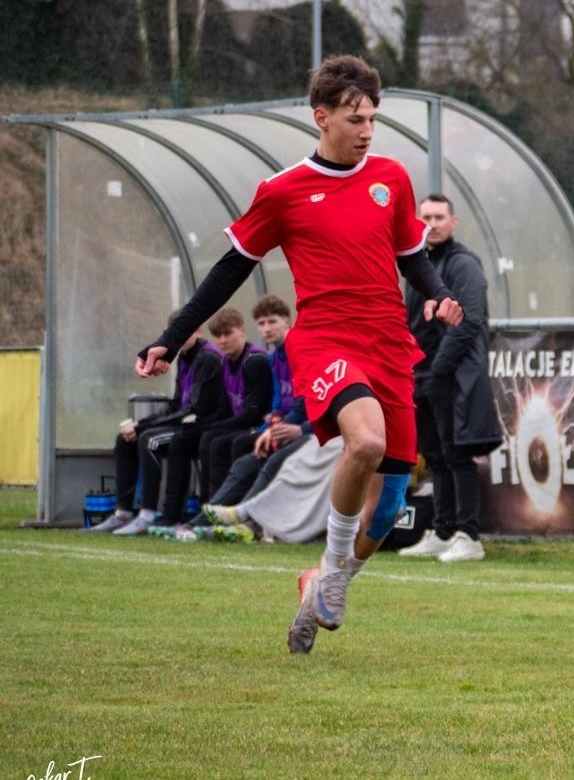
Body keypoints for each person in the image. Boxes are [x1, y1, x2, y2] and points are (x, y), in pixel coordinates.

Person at [135, 55, 462, 654]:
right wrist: (171, 334)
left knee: (387, 509)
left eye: (373, 118)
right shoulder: (282, 192)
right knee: (364, 440)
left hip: (389, 342)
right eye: (355, 118)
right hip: (328, 340)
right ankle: (334, 572)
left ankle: (320, 584)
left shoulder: (390, 177)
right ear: (322, 117)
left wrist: (439, 295)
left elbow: (411, 254)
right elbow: (229, 271)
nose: (367, 130)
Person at [399, 193, 501, 563]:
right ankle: (442, 531)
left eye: (440, 216)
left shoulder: (463, 265)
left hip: (452, 377)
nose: (433, 223)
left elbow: (470, 321)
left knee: (458, 456)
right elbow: (409, 324)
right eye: (426, 216)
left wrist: (440, 370)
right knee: (436, 457)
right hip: (420, 377)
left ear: (453, 222)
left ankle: (468, 535)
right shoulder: (415, 268)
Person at [92, 320, 222, 534]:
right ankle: (123, 513)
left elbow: (193, 408)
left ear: (198, 331)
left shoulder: (208, 357)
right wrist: (139, 424)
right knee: (124, 439)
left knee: (149, 439)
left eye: (186, 331)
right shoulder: (183, 358)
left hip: (201, 426)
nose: (180, 337)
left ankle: (148, 515)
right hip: (184, 422)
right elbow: (176, 404)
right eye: (175, 333)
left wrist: (143, 427)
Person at [200, 295, 307, 513]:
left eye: (272, 322)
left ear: (288, 321)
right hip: (281, 425)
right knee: (221, 442)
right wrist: (271, 423)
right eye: (261, 323)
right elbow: (278, 401)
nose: (267, 329)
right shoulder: (274, 358)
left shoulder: (298, 352)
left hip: (304, 429)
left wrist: (272, 428)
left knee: (240, 444)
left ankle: (237, 512)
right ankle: (213, 510)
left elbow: (304, 402)